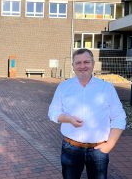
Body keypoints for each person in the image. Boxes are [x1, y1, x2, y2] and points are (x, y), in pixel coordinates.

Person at [48, 48, 126, 179]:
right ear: (73, 66)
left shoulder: (106, 88)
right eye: (78, 63)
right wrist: (68, 118)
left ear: (93, 64)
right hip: (71, 147)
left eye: (86, 62)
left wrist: (109, 145)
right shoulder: (64, 87)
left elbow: (119, 116)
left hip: (99, 150)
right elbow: (53, 112)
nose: (82, 66)